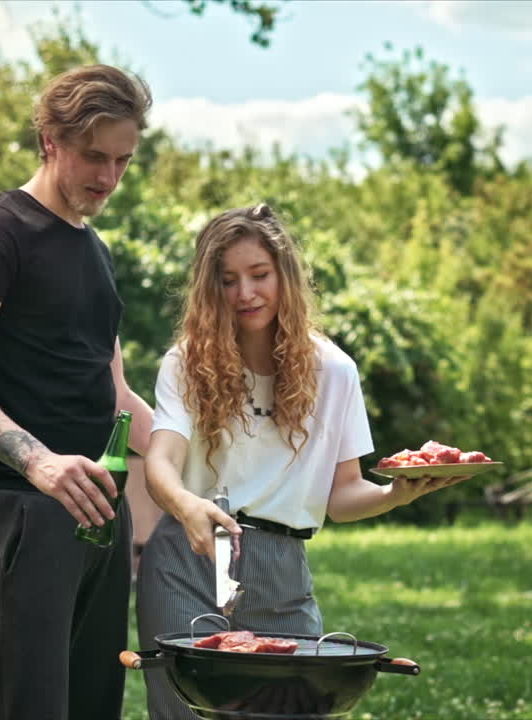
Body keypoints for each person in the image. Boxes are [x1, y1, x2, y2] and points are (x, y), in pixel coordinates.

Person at [137, 204, 464, 719]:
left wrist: (395, 493)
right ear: (209, 288)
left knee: (294, 707)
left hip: (283, 570)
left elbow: (343, 495)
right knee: (184, 712)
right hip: (190, 555)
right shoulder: (186, 362)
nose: (245, 293)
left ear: (285, 276)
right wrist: (184, 505)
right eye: (228, 279)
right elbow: (161, 462)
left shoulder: (334, 371)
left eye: (259, 275)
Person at [0, 64, 154, 720]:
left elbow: (117, 398)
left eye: (123, 161)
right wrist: (41, 463)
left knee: (92, 705)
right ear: (50, 140)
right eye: (93, 157)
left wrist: (200, 459)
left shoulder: (96, 253)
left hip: (102, 515)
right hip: (20, 509)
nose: (108, 178)